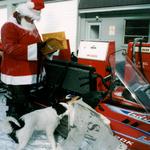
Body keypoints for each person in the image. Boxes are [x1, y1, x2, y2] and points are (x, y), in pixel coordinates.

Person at [0, 0, 45, 118]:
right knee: (20, 101)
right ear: (22, 15)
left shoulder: (31, 26)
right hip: (16, 73)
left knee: (26, 99)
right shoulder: (8, 26)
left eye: (34, 19)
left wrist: (47, 48)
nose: (32, 21)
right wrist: (35, 49)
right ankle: (15, 124)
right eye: (30, 18)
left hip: (31, 72)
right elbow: (10, 48)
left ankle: (23, 122)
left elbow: (38, 43)